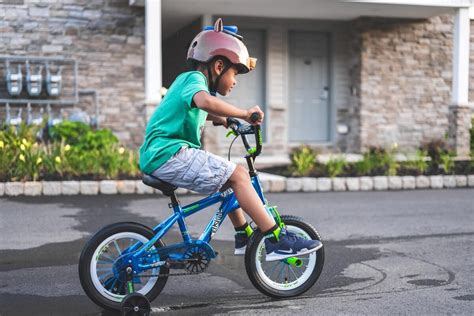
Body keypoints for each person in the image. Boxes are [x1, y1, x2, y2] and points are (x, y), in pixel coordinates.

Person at [139, 18, 322, 261]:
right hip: (168, 154)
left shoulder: (190, 85)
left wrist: (226, 121)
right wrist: (244, 113)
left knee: (228, 180)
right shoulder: (194, 80)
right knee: (238, 175)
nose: (235, 81)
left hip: (163, 155)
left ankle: (243, 235)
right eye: (235, 72)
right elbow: (204, 102)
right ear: (218, 66)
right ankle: (277, 240)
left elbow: (201, 108)